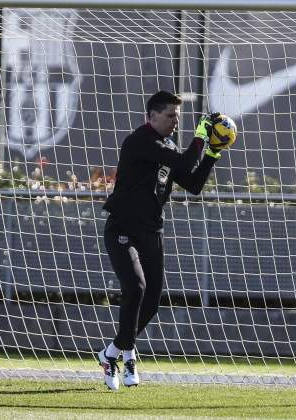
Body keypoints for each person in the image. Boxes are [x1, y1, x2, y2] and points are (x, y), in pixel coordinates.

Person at [98, 90, 234, 390]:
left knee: (151, 302)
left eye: (178, 116)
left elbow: (193, 183)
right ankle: (125, 355)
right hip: (122, 227)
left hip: (152, 231)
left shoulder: (168, 146)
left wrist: (212, 152)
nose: (175, 121)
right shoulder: (141, 140)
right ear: (152, 116)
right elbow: (185, 163)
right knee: (136, 287)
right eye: (170, 115)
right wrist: (201, 135)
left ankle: (113, 353)